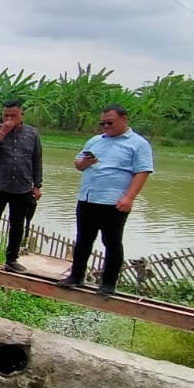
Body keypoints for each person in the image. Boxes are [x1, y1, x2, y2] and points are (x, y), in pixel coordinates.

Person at [58, 104, 153, 296]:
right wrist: (84, 163)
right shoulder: (95, 141)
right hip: (88, 198)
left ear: (124, 119)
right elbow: (78, 163)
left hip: (114, 202)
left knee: (112, 242)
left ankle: (109, 284)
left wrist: (129, 197)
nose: (106, 126)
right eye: (103, 123)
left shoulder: (138, 144)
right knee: (83, 240)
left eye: (110, 122)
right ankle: (76, 276)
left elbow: (143, 171)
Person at [0, 100, 42, 272]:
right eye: (6, 115)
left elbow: (36, 160)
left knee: (17, 224)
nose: (9, 119)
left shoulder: (32, 134)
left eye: (13, 115)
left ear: (22, 116)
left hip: (22, 187)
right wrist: (2, 134)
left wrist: (37, 185)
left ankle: (12, 259)